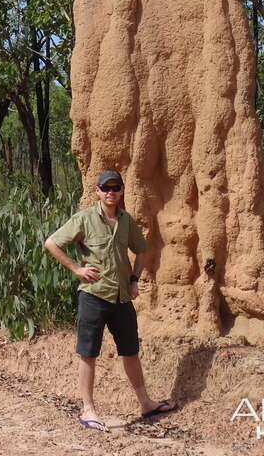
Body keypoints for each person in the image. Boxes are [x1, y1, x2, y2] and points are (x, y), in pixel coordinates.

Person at [43, 169, 178, 432]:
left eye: (115, 188)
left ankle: (145, 403)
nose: (110, 193)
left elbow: (141, 250)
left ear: (122, 191)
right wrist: (77, 269)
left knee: (130, 351)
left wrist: (134, 278)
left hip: (122, 297)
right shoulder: (84, 219)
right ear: (97, 191)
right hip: (93, 296)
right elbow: (52, 243)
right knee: (88, 352)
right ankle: (88, 410)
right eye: (106, 188)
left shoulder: (127, 221)